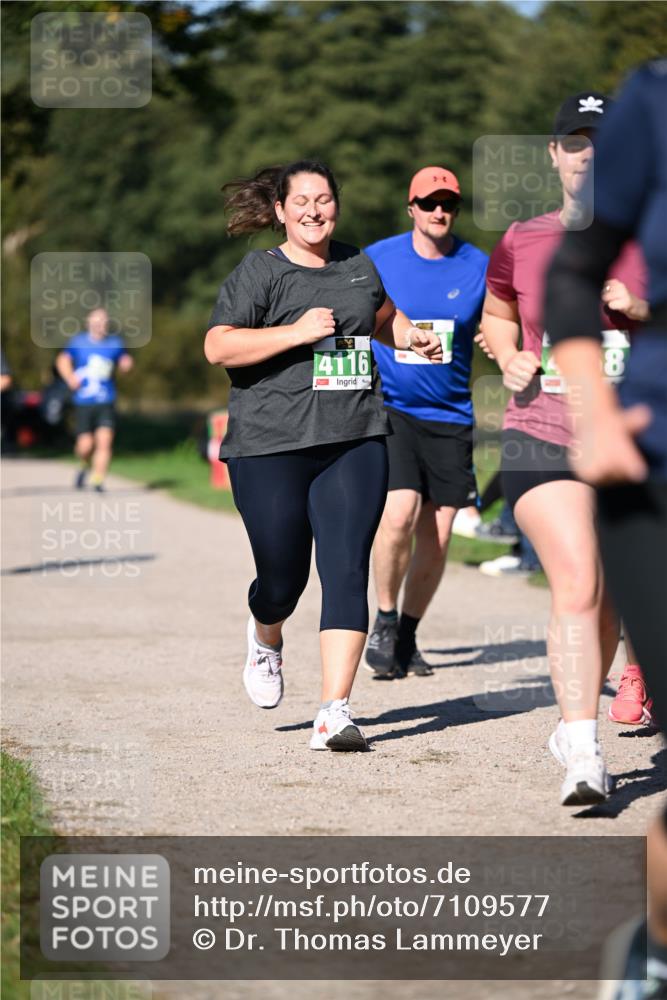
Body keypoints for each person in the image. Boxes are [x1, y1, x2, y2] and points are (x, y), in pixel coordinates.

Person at [204, 160, 443, 752]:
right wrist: (295, 332)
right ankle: (266, 634)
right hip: (269, 445)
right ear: (281, 210)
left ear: (337, 205)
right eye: (302, 201)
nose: (315, 210)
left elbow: (382, 318)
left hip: (354, 438)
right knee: (282, 577)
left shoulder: (358, 265)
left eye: (325, 199)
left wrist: (412, 337)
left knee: (345, 569)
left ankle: (334, 710)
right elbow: (219, 346)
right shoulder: (261, 271)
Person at [480, 92, 649, 806]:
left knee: (608, 593)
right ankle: (581, 750)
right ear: (553, 154)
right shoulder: (522, 237)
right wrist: (505, 356)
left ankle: (577, 725)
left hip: (632, 438)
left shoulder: (652, 237)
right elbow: (496, 313)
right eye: (572, 143)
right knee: (577, 578)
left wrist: (641, 310)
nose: (586, 155)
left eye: (599, 144)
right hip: (539, 434)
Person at [545, 61, 667, 995]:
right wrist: (590, 409)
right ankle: (655, 955)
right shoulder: (652, 102)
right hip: (650, 462)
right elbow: (574, 268)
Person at [363, 166, 488, 679]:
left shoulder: (477, 265)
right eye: (430, 203)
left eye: (449, 204)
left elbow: (504, 319)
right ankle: (385, 621)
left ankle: (408, 637)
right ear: (410, 207)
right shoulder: (379, 257)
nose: (440, 212)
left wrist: (495, 336)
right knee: (398, 516)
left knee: (438, 535)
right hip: (392, 407)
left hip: (451, 414)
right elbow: (353, 310)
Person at [56, 307, 133, 491]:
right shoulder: (78, 342)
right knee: (85, 445)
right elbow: (62, 360)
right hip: (83, 401)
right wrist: (70, 378)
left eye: (104, 321)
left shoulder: (115, 343)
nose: (100, 325)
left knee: (104, 441)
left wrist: (127, 365)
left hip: (106, 401)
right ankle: (83, 464)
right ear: (89, 323)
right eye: (96, 321)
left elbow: (124, 360)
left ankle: (98, 479)